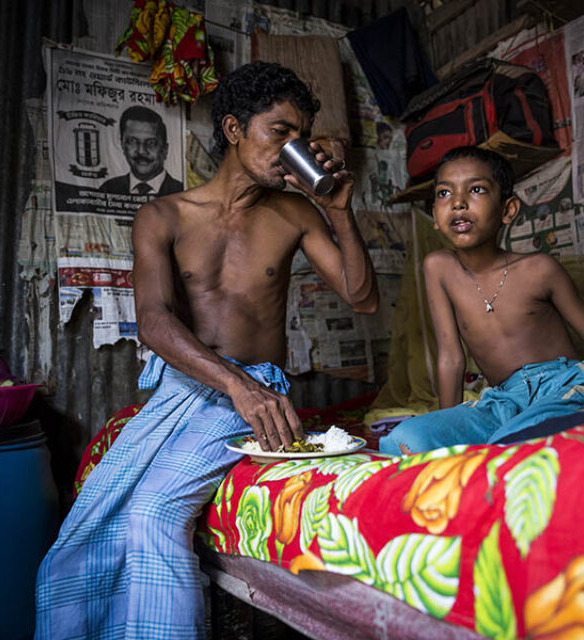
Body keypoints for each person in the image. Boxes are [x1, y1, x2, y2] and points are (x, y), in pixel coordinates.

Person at [36, 62, 378, 639]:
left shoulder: (296, 214)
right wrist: (236, 386)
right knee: (85, 528)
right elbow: (154, 321)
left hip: (255, 384)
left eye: (300, 136)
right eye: (279, 133)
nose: (291, 149)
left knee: (152, 513)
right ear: (234, 129)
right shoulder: (163, 215)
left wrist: (339, 211)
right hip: (188, 386)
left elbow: (362, 298)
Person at [379, 147, 584, 455]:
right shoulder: (438, 268)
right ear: (434, 214)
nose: (458, 202)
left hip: (563, 389)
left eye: (476, 189)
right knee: (404, 439)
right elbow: (450, 357)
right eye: (445, 193)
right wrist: (450, 431)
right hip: (502, 400)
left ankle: (518, 441)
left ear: (507, 210)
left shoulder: (539, 269)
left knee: (516, 440)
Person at [100, 105, 184, 196]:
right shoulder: (107, 189)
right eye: (133, 141)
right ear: (123, 145)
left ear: (165, 149)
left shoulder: (182, 192)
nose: (141, 151)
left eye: (151, 142)